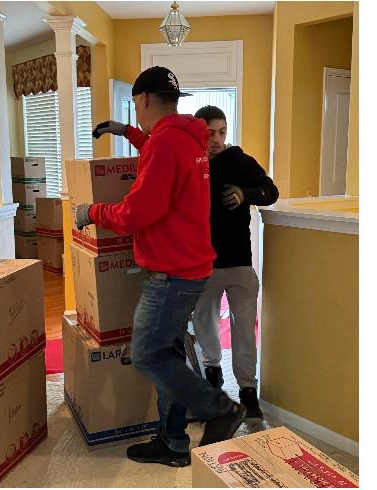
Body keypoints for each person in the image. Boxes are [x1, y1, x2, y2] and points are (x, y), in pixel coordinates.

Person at [75, 67, 246, 468]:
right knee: (168, 354)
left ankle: (219, 408)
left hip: (173, 273)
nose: (136, 110)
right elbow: (159, 152)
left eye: (135, 104)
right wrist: (127, 133)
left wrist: (91, 211)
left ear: (145, 99)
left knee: (148, 354)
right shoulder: (187, 138)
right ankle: (173, 442)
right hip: (190, 266)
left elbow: (138, 212)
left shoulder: (167, 143)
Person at [192, 105, 279, 419]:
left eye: (222, 132)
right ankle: (212, 373)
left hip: (240, 262)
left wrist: (246, 193)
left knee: (244, 330)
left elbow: (271, 192)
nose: (216, 139)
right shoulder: (191, 163)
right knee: (205, 323)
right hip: (203, 263)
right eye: (209, 134)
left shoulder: (241, 161)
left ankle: (247, 391)